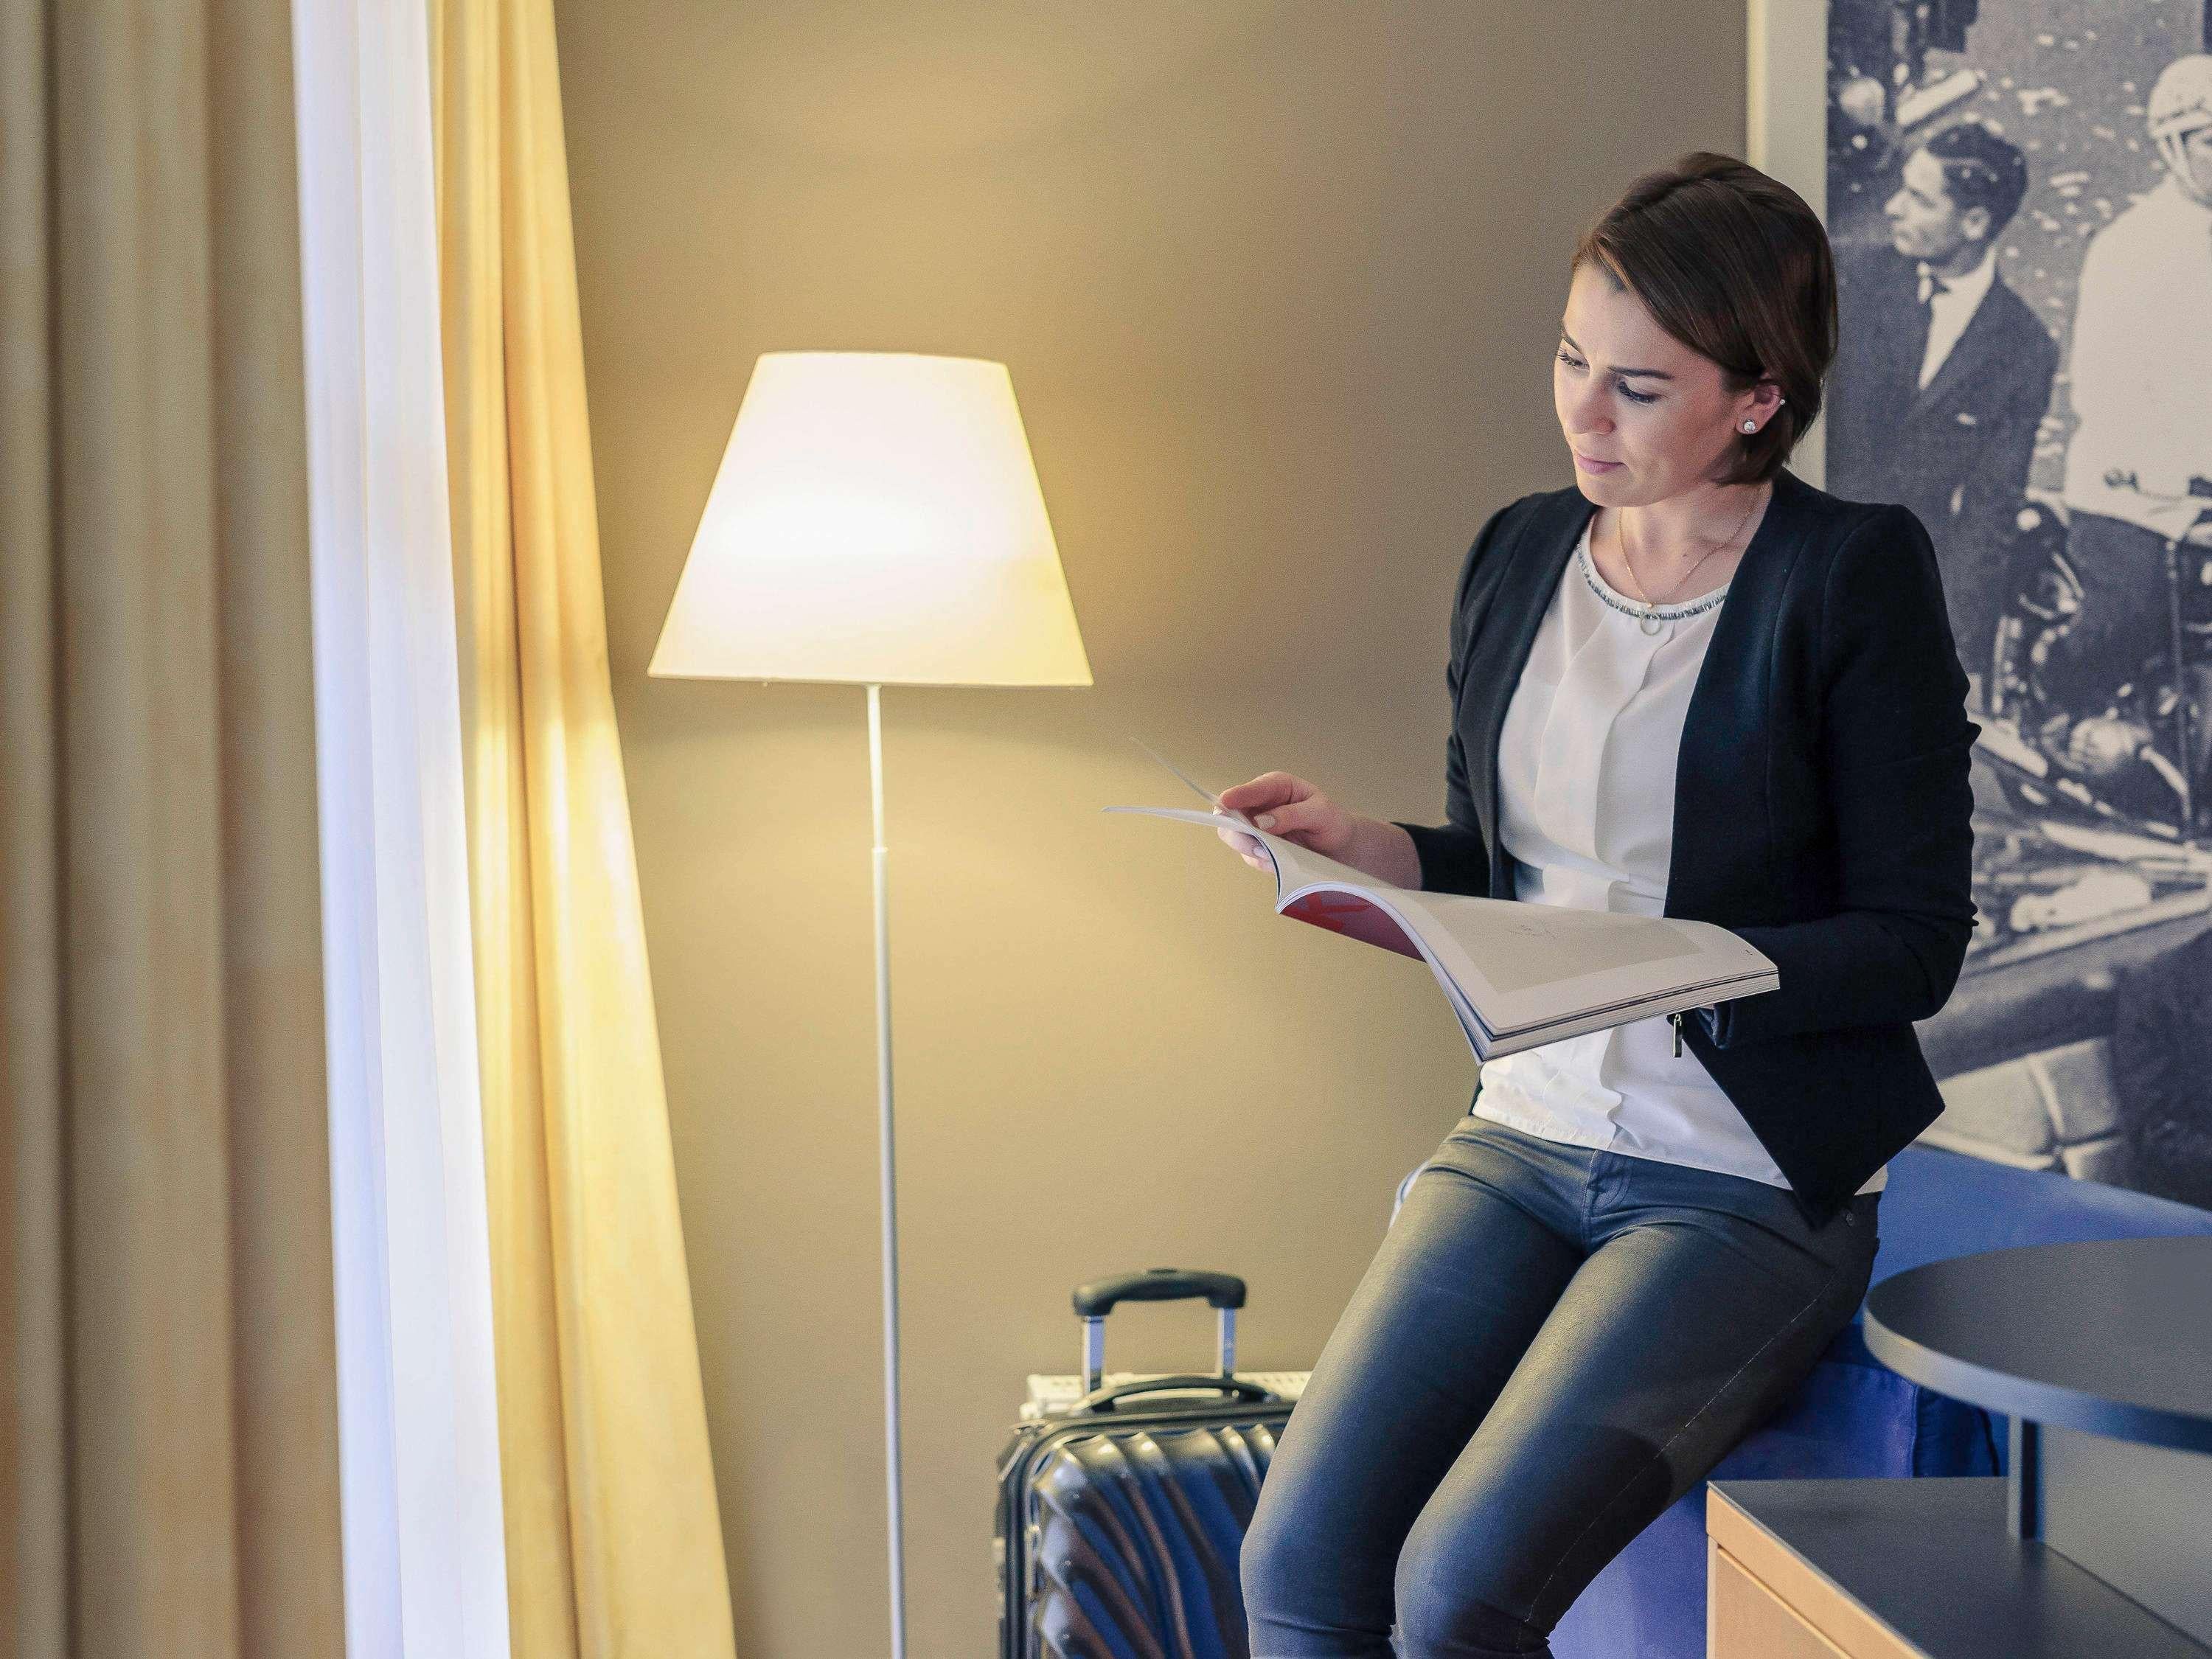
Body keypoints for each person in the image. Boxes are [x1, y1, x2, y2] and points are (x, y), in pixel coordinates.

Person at [1223, 153, 1979, 1658]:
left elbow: (1916, 945)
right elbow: (1505, 869)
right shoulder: (1519, 553)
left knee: (1456, 1594)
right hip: (1521, 1140)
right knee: (1294, 1563)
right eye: (1573, 362)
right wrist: (1357, 846)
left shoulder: (1850, 575)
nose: (1584, 414)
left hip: (1742, 1182)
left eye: (1637, 388)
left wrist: (1680, 970)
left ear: (1757, 399)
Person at [1826, 120, 2057, 699]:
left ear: (1974, 223)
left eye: (1920, 199)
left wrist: (1957, 654)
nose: (1893, 208)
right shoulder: (1844, 276)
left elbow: (1990, 510)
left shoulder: (2024, 349)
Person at [2041, 52, 2212, 737]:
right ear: (2172, 147)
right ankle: (2059, 706)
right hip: (2139, 490)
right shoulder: (2131, 247)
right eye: (2211, 141)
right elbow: (2106, 382)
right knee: (2135, 609)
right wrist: (2166, 467)